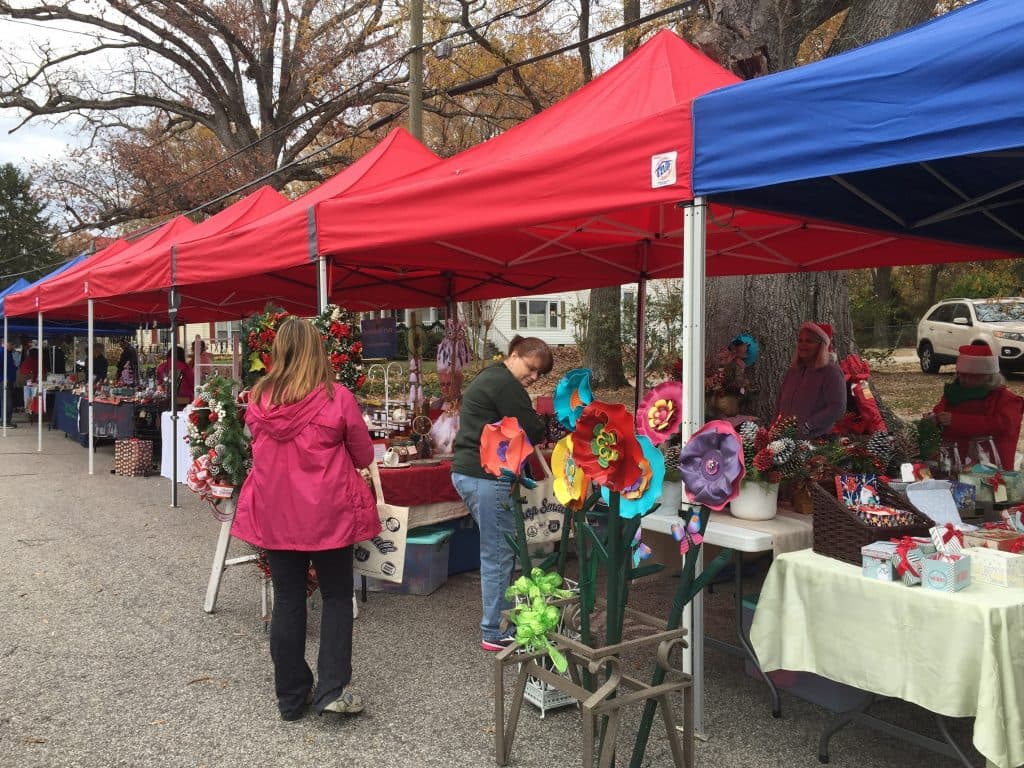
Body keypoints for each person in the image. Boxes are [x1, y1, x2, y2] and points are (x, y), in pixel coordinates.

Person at [232, 317, 379, 721]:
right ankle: (332, 689)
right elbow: (364, 455)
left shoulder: (260, 399)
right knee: (335, 597)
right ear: (317, 350)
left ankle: (291, 698)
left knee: (288, 599)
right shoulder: (337, 398)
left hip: (277, 513)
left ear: (278, 351)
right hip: (328, 513)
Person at [451, 335, 552, 651]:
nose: (533, 378)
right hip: (485, 476)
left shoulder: (490, 375)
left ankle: (498, 623)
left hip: (470, 473)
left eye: (539, 375)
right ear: (514, 354)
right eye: (531, 368)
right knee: (497, 554)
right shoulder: (505, 384)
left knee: (497, 551)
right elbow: (534, 430)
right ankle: (493, 631)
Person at [931, 344, 1024, 470]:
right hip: (954, 462)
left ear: (987, 376)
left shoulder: (1007, 399)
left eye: (970, 376)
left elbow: (1001, 425)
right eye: (961, 375)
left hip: (990, 466)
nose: (963, 380)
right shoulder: (953, 393)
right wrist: (935, 418)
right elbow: (939, 411)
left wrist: (956, 421)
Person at [774, 321, 847, 438]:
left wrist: (809, 426)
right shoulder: (793, 370)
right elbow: (779, 401)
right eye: (800, 340)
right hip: (785, 438)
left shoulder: (831, 371)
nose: (803, 345)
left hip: (816, 440)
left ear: (821, 345)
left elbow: (838, 407)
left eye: (809, 341)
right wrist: (775, 425)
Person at [3, 340, 17, 428]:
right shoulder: (3, 353)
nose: (13, 347)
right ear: (6, 344)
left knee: (7, 400)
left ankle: (5, 420)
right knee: (8, 401)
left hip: (8, 379)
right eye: (12, 344)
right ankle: (6, 421)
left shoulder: (8, 353)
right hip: (5, 380)